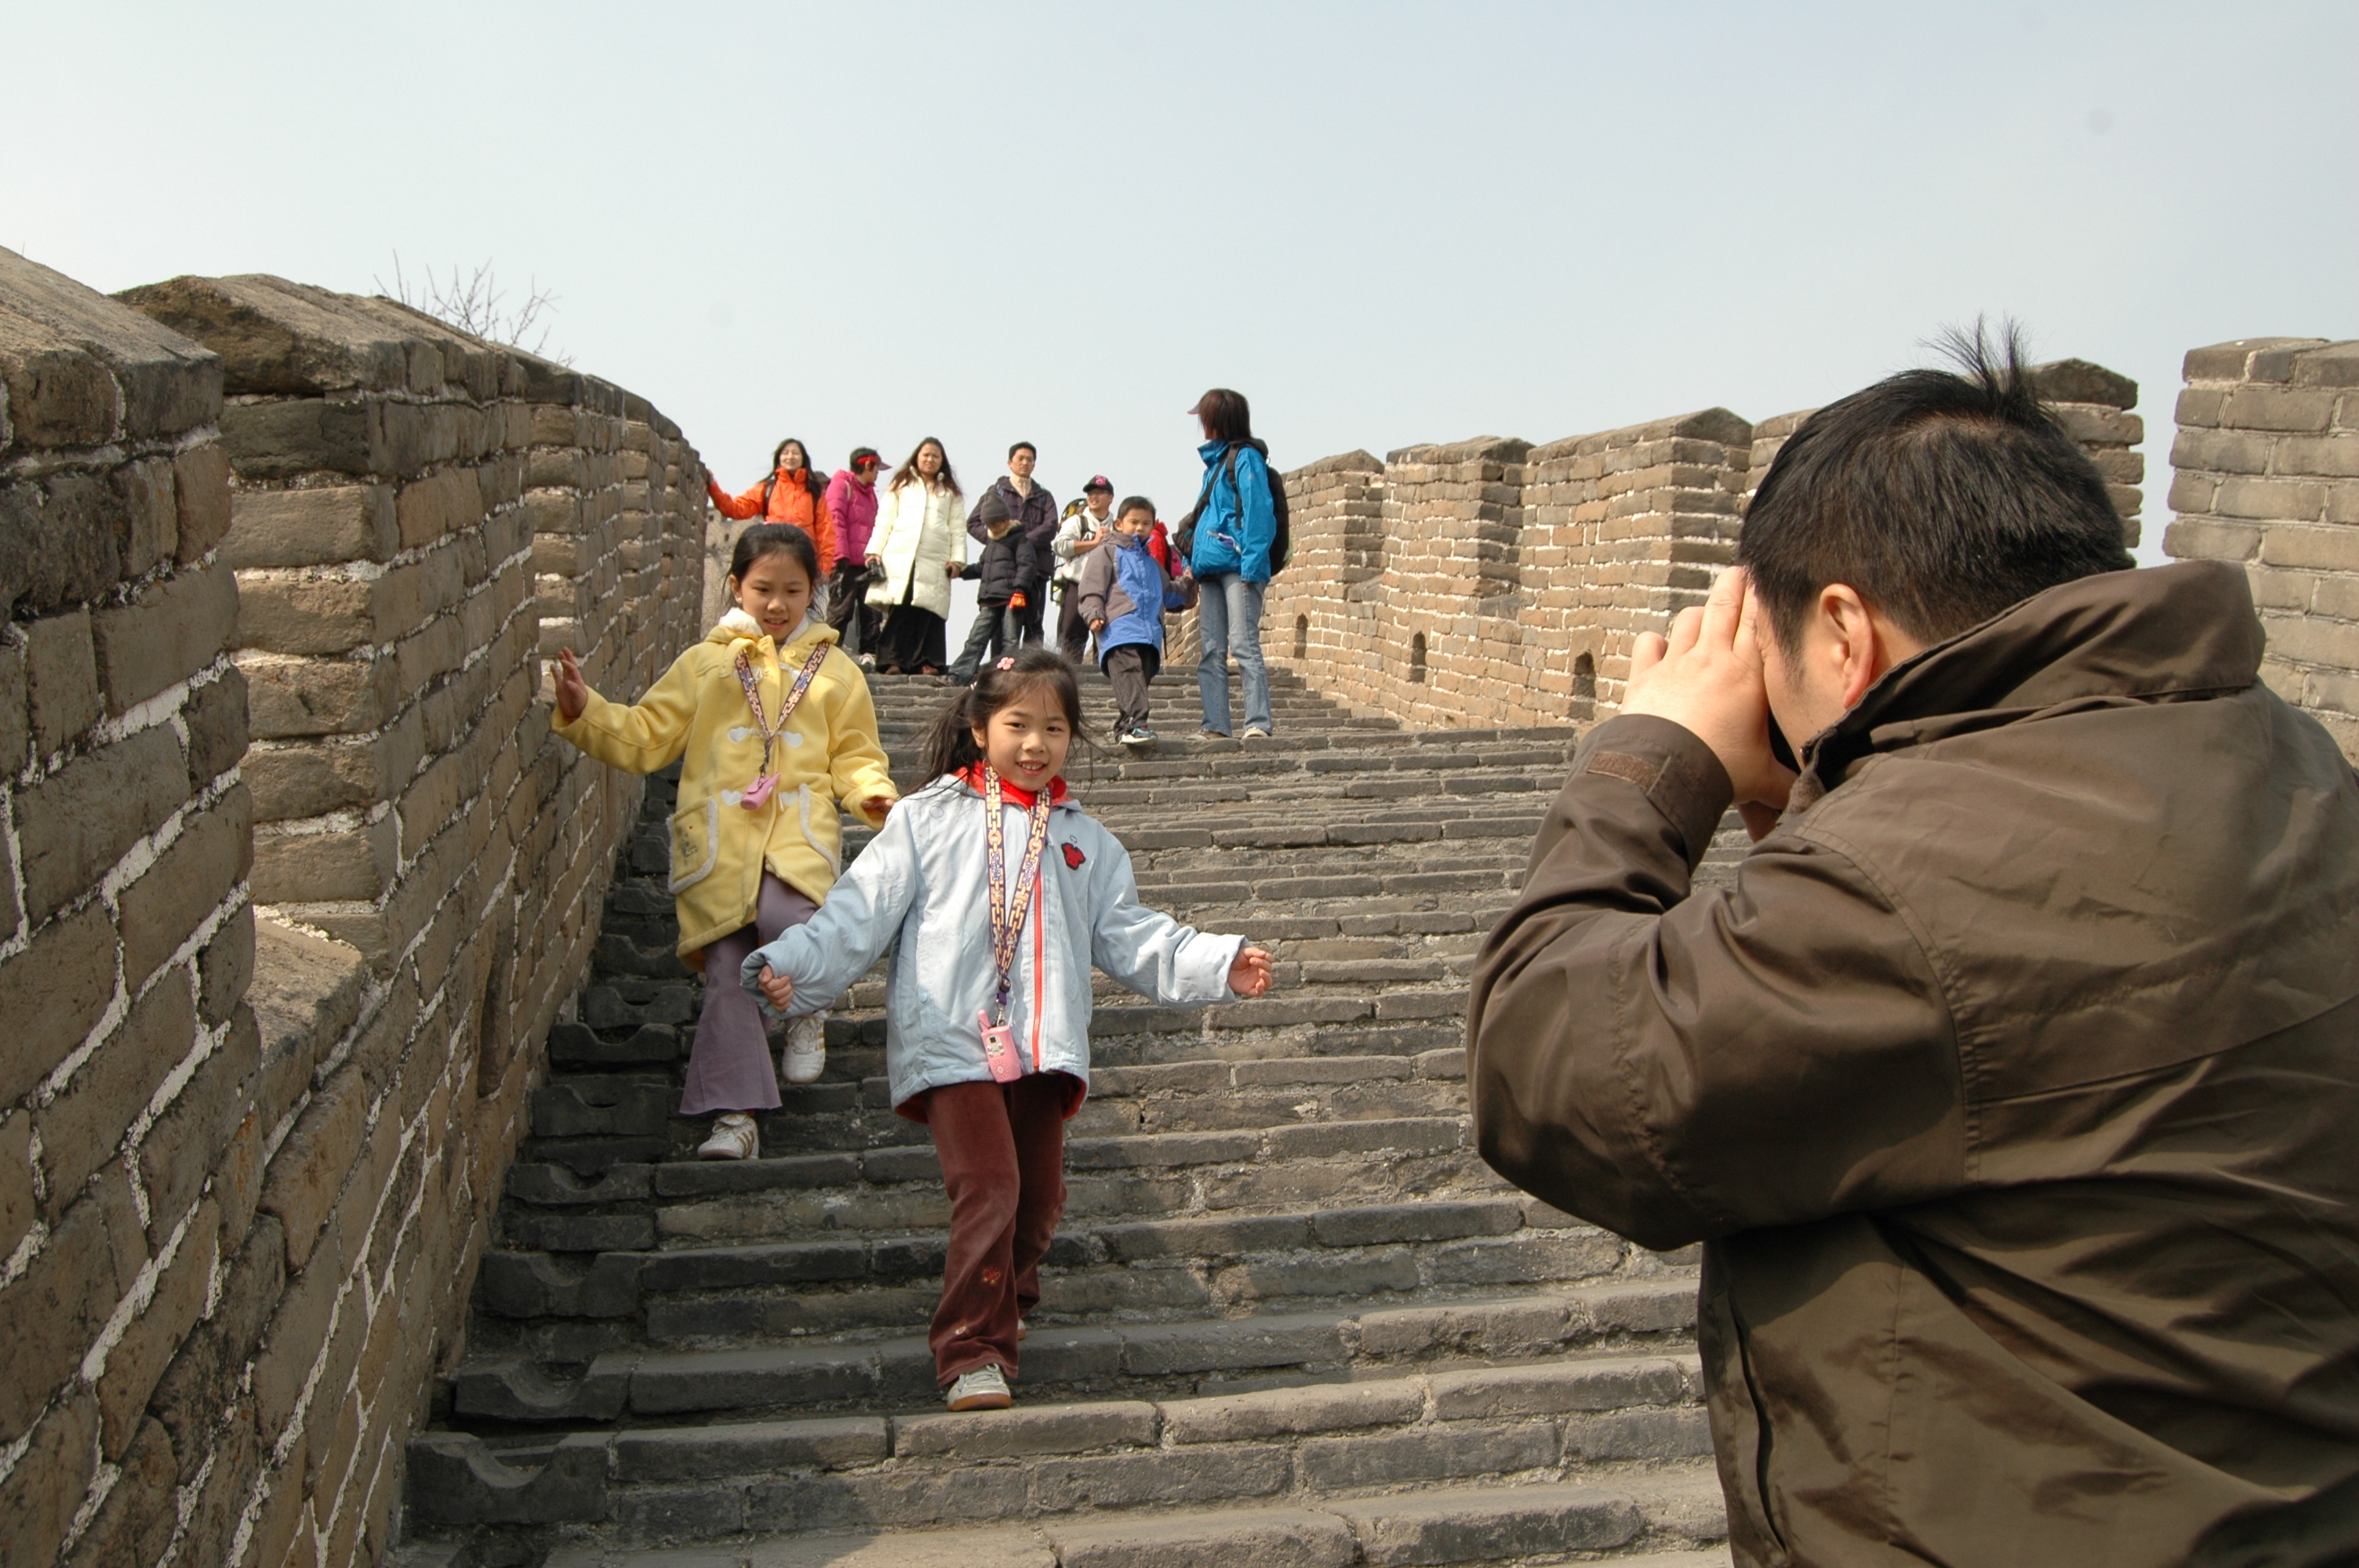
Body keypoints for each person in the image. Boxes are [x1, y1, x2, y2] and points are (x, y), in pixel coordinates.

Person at [1465, 333, 2359, 1568]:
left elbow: (1547, 1062)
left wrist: (1653, 753)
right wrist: (1823, 804)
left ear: (1844, 632)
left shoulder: (1906, 888)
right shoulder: (2295, 763)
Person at [743, 649, 1274, 1410]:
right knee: (990, 1186)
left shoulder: (1085, 840)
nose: (1035, 743)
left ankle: (1004, 1294)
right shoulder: (926, 819)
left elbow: (1131, 935)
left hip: (1042, 1045)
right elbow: (858, 912)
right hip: (951, 1037)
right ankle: (970, 1349)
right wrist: (795, 966)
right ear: (979, 726)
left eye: (1054, 728)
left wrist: (1219, 963)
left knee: (1038, 1201)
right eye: (1018, 724)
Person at [552, 524, 896, 1160]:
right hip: (718, 845)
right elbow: (647, 735)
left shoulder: (838, 672)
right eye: (763, 589)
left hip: (795, 837)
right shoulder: (706, 663)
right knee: (727, 976)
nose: (777, 604)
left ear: (813, 592)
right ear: (737, 587)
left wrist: (873, 795)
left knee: (788, 919)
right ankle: (735, 1119)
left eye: (792, 590)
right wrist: (585, 709)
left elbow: (855, 756)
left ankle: (807, 1006)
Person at [1183, 390, 1278, 739]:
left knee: (1244, 644)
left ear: (1219, 420)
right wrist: (1192, 561)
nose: (1202, 425)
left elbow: (1259, 513)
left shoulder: (1246, 458)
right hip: (1211, 568)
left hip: (1240, 568)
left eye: (1206, 418)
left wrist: (1252, 565)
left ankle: (1257, 722)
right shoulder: (1215, 464)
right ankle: (1216, 725)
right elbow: (1204, 518)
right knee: (1211, 651)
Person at [1077, 495, 1196, 750]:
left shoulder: (1151, 563)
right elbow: (1091, 588)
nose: (1140, 528)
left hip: (1149, 633)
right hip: (1118, 629)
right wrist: (1093, 613)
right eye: (1134, 522)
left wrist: (1188, 582)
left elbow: (1169, 593)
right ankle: (1137, 724)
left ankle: (1125, 728)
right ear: (1119, 524)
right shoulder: (1107, 552)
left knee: (1140, 679)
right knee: (1130, 674)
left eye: (1146, 523)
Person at [867, 437, 966, 676]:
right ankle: (892, 662)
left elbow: (958, 529)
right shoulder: (900, 485)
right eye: (926, 455)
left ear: (942, 461)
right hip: (900, 556)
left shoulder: (950, 492)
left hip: (935, 559)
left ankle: (927, 662)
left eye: (935, 456)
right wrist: (874, 551)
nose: (930, 459)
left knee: (929, 612)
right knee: (900, 609)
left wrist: (958, 560)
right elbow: (884, 521)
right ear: (917, 457)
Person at [969, 441, 1060, 647]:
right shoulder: (997, 492)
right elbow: (973, 523)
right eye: (1021, 458)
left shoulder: (1044, 496)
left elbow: (1051, 525)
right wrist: (1000, 544)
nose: (1025, 463)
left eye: (1030, 460)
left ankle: (1032, 665)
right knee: (1000, 625)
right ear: (1010, 462)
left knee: (1034, 622)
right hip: (1002, 573)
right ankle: (1000, 665)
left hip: (1036, 569)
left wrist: (1022, 544)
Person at [947, 490, 1036, 685]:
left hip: (1012, 599)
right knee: (976, 638)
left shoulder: (1019, 540)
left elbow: (1027, 565)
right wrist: (961, 571)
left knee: (1010, 640)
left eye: (996, 524)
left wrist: (1020, 590)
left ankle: (1008, 677)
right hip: (990, 599)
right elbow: (982, 567)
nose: (993, 529)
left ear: (1006, 520)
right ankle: (958, 675)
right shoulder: (991, 543)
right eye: (990, 525)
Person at [709, 438, 834, 575]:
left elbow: (825, 531)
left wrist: (824, 568)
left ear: (803, 458)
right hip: (773, 556)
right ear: (779, 458)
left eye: (795, 453)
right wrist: (713, 486)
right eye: (785, 453)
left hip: (802, 558)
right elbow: (735, 509)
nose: (790, 457)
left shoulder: (814, 492)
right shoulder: (767, 489)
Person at [823, 447, 885, 661]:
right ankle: (827, 654)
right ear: (868, 465)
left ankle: (870, 655)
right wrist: (840, 554)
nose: (878, 474)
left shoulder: (870, 494)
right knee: (841, 611)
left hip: (867, 563)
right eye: (877, 468)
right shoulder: (842, 485)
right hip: (846, 562)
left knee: (872, 613)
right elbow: (835, 519)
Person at [1052, 476, 1115, 664]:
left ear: (1110, 497)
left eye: (1099, 493)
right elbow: (1060, 546)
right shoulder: (1076, 522)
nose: (1093, 497)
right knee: (1072, 637)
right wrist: (1094, 543)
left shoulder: (1117, 526)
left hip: (1108, 588)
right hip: (1076, 585)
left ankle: (1104, 676)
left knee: (1106, 637)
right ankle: (1070, 676)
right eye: (1090, 493)